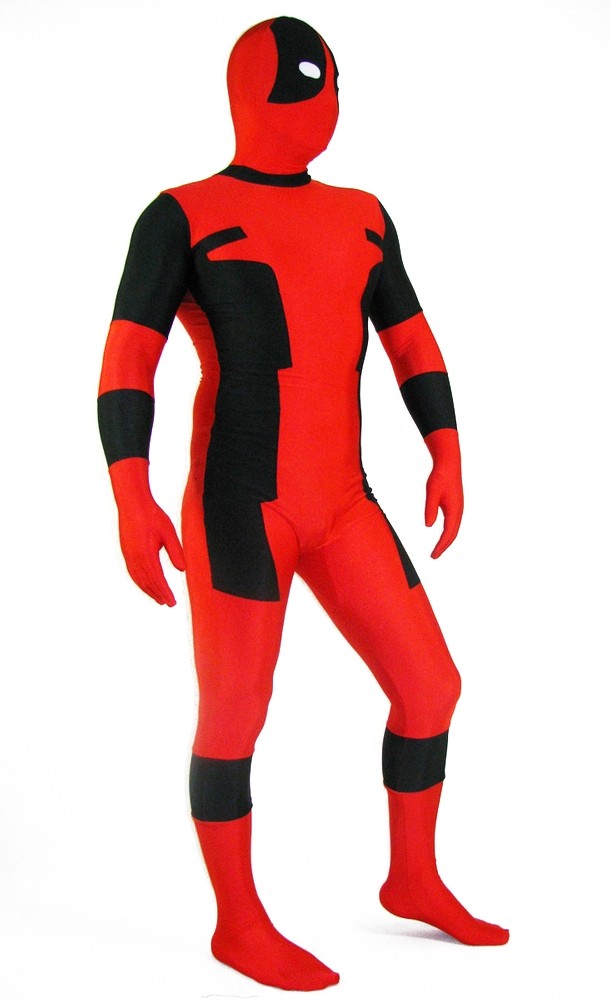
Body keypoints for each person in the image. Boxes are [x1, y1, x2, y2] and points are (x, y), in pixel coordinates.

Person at [97, 15, 509, 992]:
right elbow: (127, 362)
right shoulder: (181, 215)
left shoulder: (363, 215)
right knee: (235, 708)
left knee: (430, 687)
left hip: (343, 503)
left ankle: (412, 877)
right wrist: (130, 496)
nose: (326, 107)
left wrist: (447, 450)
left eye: (330, 91)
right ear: (253, 98)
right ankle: (236, 922)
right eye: (308, 89)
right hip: (242, 504)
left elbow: (412, 340)